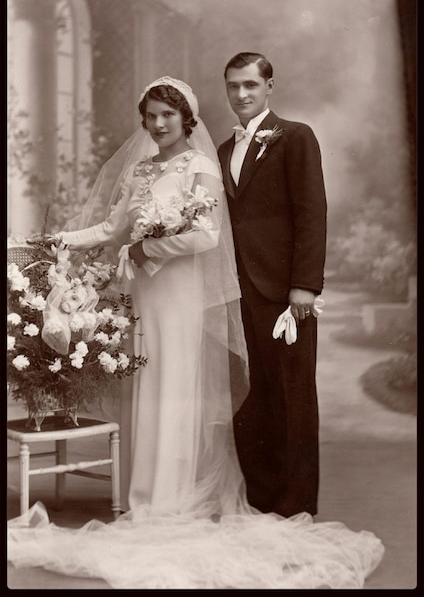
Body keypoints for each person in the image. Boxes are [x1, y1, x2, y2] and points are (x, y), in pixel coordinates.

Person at [8, 77, 384, 589]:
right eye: (151, 116)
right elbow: (112, 230)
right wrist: (53, 239)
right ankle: (145, 496)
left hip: (180, 296)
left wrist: (150, 250)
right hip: (143, 295)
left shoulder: (202, 167)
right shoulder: (141, 170)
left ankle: (172, 498)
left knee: (174, 387)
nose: (159, 124)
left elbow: (207, 236)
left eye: (168, 115)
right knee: (145, 383)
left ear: (187, 118)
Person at [218, 52, 327, 518]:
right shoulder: (224, 150)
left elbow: (311, 212)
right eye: (233, 86)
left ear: (269, 87)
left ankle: (296, 502)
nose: (241, 94)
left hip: (286, 294)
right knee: (255, 394)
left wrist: (304, 285)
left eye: (250, 85)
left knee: (294, 395)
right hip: (241, 290)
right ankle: (264, 496)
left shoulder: (296, 137)